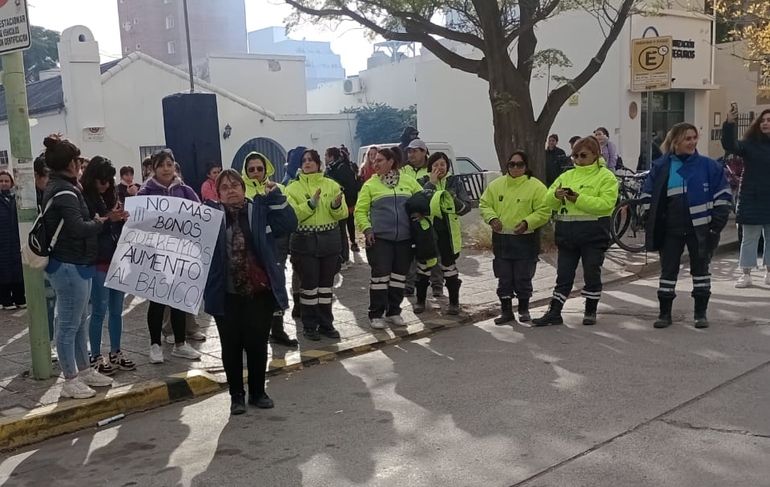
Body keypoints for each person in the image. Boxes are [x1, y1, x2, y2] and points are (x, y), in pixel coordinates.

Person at [204, 169, 297, 414]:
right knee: (231, 347)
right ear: (218, 193)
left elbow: (289, 223)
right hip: (226, 294)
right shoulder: (209, 215)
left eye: (235, 185)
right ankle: (236, 396)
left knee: (257, 344)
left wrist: (276, 197)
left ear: (244, 189)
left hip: (259, 292)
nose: (231, 190)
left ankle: (258, 392)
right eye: (225, 187)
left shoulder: (259, 210)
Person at [41, 134, 114, 399]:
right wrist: (100, 221)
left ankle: (83, 371)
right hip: (68, 264)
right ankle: (70, 378)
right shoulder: (64, 191)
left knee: (79, 322)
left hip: (76, 263)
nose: (81, 165)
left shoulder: (66, 187)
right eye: (78, 160)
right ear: (71, 163)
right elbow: (77, 228)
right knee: (69, 325)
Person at [641, 123, 732, 329]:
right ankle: (664, 314)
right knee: (667, 272)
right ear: (675, 142)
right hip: (670, 230)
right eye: (687, 138)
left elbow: (723, 196)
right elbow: (647, 194)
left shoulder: (709, 166)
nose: (692, 142)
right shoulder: (661, 166)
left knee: (701, 271)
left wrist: (716, 224)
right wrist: (649, 218)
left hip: (700, 228)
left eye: (694, 138)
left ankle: (700, 314)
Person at [533, 136, 618, 327]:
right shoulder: (566, 176)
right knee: (563, 275)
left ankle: (590, 310)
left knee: (591, 273)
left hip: (593, 235)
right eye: (575, 156)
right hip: (567, 235)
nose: (578, 159)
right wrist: (555, 195)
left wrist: (577, 198)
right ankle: (554, 312)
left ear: (595, 155)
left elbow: (606, 205)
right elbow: (547, 200)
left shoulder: (606, 177)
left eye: (583, 155)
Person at [138, 149, 202, 362]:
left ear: (175, 166)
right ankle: (155, 345)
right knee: (156, 301)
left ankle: (180, 344)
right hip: (155, 255)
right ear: (153, 168)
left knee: (179, 300)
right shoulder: (145, 193)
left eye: (169, 164)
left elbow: (199, 216)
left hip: (180, 255)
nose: (166, 169)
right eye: (161, 165)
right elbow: (137, 221)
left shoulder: (185, 191)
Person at [479, 151, 551, 325]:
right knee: (504, 278)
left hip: (525, 240)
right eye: (512, 164)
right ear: (507, 166)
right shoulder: (496, 185)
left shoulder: (536, 186)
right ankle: (506, 311)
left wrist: (527, 223)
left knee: (522, 277)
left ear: (526, 166)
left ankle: (524, 309)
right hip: (502, 240)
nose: (516, 168)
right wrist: (492, 219)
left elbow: (544, 210)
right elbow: (484, 204)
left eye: (520, 165)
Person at [355, 147, 423, 329]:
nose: (374, 164)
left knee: (398, 277)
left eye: (379, 161)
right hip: (380, 240)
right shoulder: (370, 185)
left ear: (391, 162)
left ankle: (394, 312)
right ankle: (376, 314)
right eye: (373, 161)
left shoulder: (409, 182)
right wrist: (367, 229)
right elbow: (360, 211)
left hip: (405, 239)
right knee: (380, 277)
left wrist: (422, 214)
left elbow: (423, 200)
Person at [284, 149, 348, 341]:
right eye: (304, 160)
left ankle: (326, 324)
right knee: (309, 287)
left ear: (319, 164)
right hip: (304, 242)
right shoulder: (292, 188)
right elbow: (293, 216)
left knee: (326, 287)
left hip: (329, 240)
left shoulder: (332, 185)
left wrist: (336, 206)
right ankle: (309, 325)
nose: (308, 163)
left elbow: (343, 214)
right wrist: (310, 205)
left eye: (311, 160)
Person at [81, 157, 135, 375]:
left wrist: (123, 218)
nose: (104, 184)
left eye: (107, 180)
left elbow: (118, 226)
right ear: (92, 179)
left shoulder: (113, 196)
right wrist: (108, 219)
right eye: (100, 180)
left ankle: (115, 351)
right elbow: (86, 229)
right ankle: (95, 355)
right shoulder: (84, 198)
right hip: (98, 260)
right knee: (99, 310)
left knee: (116, 311)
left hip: (117, 259)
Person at [241, 151, 299, 347]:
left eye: (260, 168)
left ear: (266, 169)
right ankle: (254, 332)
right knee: (254, 290)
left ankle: (278, 329)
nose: (256, 172)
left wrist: (275, 196)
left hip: (276, 248)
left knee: (277, 286)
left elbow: (290, 220)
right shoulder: (241, 190)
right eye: (251, 169)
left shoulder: (278, 187)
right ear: (245, 171)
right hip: (251, 251)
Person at [412, 152, 472, 314]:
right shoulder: (422, 181)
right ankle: (420, 301)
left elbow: (466, 207)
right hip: (427, 232)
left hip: (448, 232)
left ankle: (454, 303)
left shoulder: (454, 182)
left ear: (448, 166)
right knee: (423, 267)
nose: (439, 168)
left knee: (449, 267)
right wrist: (430, 184)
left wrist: (452, 199)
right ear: (430, 167)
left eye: (443, 164)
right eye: (436, 165)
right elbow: (416, 205)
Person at [722, 107, 770, 288]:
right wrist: (729, 124)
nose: (765, 123)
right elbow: (730, 145)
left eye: (769, 120)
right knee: (749, 238)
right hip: (752, 197)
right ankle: (746, 274)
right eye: (763, 120)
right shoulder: (749, 144)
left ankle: (769, 272)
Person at [325, 146, 361, 265]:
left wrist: (351, 204)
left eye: (326, 155)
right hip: (334, 205)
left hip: (344, 204)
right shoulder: (331, 168)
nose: (324, 158)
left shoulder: (342, 168)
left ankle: (344, 258)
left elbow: (351, 188)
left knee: (342, 231)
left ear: (331, 156)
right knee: (338, 231)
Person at [0, 170, 26, 310]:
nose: (4, 183)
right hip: (2, 242)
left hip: (15, 240)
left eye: (6, 181)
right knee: (3, 272)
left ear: (11, 183)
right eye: (1, 181)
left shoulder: (16, 199)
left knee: (18, 271)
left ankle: (19, 298)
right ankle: (5, 300)